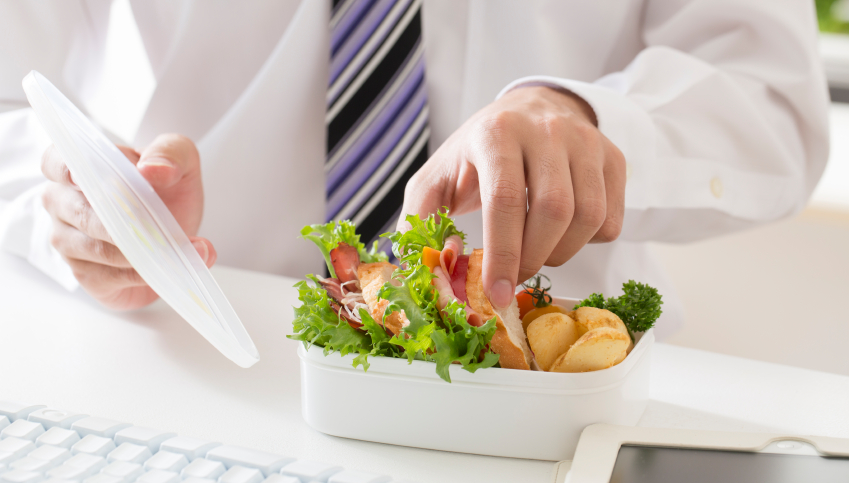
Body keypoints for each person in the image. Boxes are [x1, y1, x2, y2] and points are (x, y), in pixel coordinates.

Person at [0, 0, 829, 338]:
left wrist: (589, 122)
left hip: (541, 403)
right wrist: (65, 204)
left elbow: (771, 101)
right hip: (182, 358)